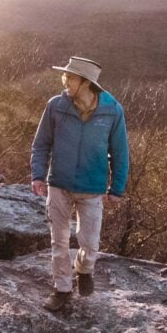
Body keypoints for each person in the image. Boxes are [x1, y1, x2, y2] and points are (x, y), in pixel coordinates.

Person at [30, 56, 130, 312]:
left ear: (86, 83)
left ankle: (84, 269)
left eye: (70, 77)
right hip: (59, 184)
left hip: (92, 188)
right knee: (59, 241)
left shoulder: (112, 110)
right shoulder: (56, 106)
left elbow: (120, 153)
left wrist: (117, 188)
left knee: (90, 242)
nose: (65, 82)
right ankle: (62, 288)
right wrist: (38, 175)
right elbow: (41, 143)